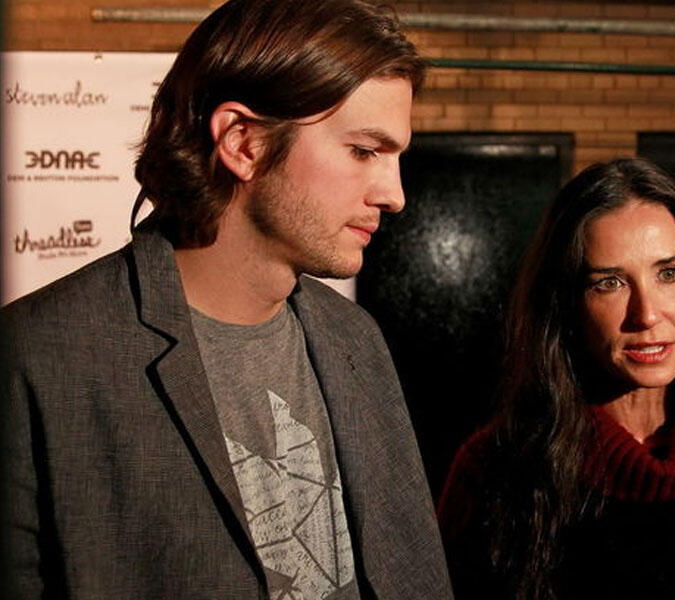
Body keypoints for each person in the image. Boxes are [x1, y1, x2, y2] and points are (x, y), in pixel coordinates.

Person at [1, 1, 454, 599]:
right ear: (245, 143)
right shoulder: (38, 355)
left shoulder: (355, 338)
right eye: (364, 151)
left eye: (396, 158)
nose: (394, 195)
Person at [437, 158, 675, 599]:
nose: (646, 314)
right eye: (610, 283)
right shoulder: (494, 470)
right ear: (566, 304)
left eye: (669, 273)